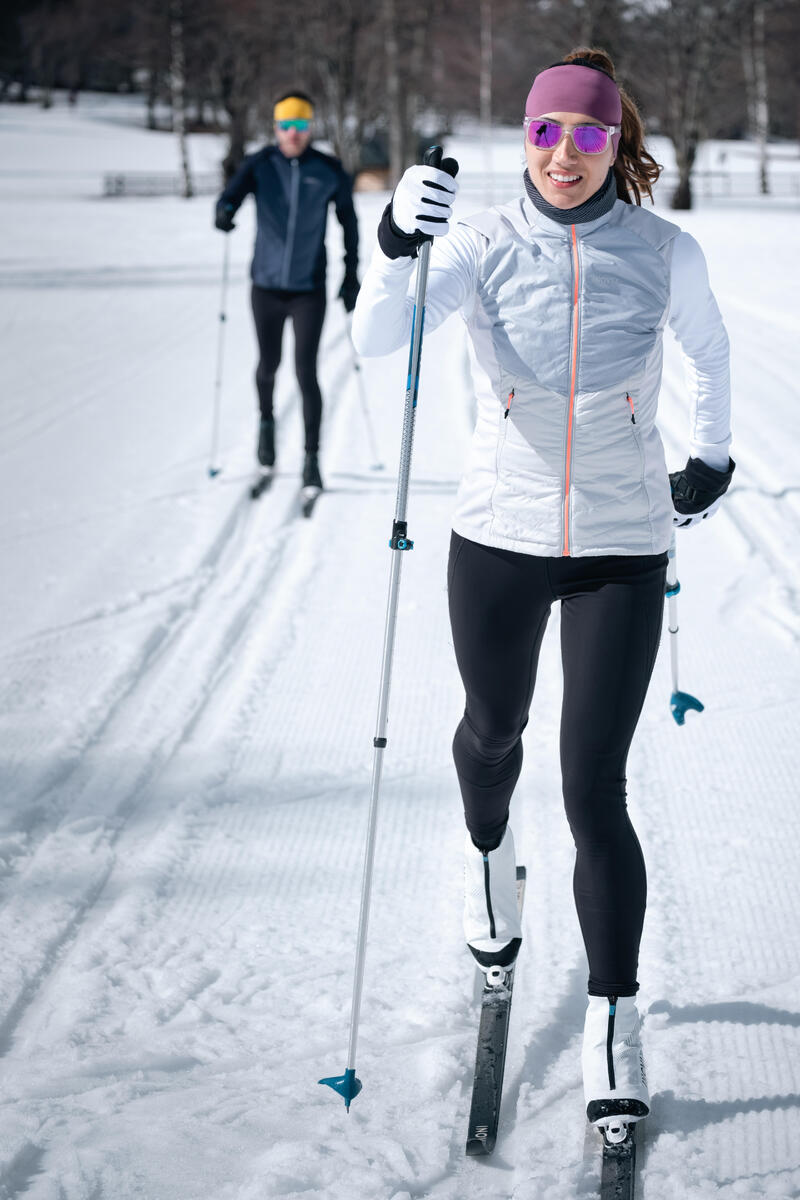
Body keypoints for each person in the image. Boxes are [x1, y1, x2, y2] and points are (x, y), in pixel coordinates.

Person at [352, 49, 734, 1134]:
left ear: (618, 143)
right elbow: (377, 340)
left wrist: (708, 452)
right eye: (542, 133)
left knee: (592, 790)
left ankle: (613, 1024)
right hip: (501, 533)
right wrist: (396, 249)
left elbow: (706, 351)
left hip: (620, 538)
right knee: (490, 733)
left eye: (585, 134)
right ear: (521, 137)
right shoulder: (476, 243)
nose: (562, 155)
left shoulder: (665, 251)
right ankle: (486, 861)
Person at [215, 90, 360, 490]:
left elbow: (350, 224)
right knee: (267, 367)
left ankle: (311, 459)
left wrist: (351, 275)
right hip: (265, 286)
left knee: (305, 372)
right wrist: (224, 213)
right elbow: (230, 197)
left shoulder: (328, 169)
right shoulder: (260, 164)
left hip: (307, 288)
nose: (293, 133)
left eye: (300, 125)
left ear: (310, 127)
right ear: (275, 127)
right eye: (286, 125)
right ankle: (266, 427)